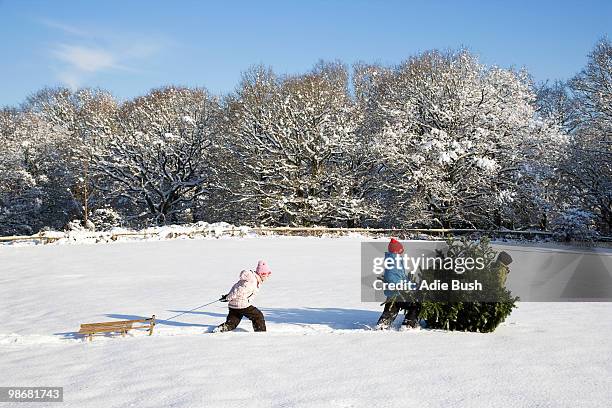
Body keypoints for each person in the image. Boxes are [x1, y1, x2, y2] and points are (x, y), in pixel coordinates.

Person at [214, 260, 272, 333]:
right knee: (258, 316)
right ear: (262, 274)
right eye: (267, 275)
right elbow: (238, 290)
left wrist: (228, 296)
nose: (267, 277)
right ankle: (261, 333)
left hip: (234, 304)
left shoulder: (255, 280)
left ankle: (219, 330)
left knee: (232, 323)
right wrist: (228, 297)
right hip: (241, 304)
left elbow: (236, 288)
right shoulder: (252, 281)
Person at [375, 238, 421, 330]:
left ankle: (383, 322)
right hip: (400, 293)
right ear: (397, 250)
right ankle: (409, 323)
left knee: (391, 307)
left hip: (392, 294)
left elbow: (399, 277)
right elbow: (397, 280)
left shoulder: (391, 259)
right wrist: (412, 286)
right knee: (415, 304)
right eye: (400, 250)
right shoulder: (395, 262)